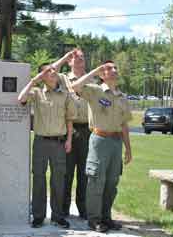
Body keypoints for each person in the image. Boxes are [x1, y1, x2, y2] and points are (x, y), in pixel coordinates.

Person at [71, 61, 133, 233]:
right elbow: (75, 86)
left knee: (112, 182)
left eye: (115, 68)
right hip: (100, 139)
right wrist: (95, 70)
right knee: (96, 180)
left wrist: (128, 148)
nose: (113, 71)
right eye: (108, 68)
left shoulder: (122, 97)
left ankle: (106, 217)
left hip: (116, 142)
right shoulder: (95, 90)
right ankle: (94, 219)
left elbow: (124, 125)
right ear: (101, 74)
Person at [18, 64, 77, 229]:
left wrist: (69, 140)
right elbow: (21, 98)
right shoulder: (36, 93)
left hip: (59, 142)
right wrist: (34, 80)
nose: (53, 72)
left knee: (58, 180)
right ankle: (38, 216)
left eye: (53, 70)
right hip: (41, 142)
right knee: (38, 178)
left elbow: (69, 119)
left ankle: (57, 216)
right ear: (42, 76)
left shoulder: (65, 94)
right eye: (48, 71)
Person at [51, 49, 91, 219]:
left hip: (88, 131)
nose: (79, 59)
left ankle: (84, 208)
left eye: (82, 57)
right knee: (66, 172)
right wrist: (64, 57)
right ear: (69, 61)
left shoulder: (92, 79)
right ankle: (63, 209)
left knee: (85, 173)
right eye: (75, 57)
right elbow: (49, 71)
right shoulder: (63, 78)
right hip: (69, 130)